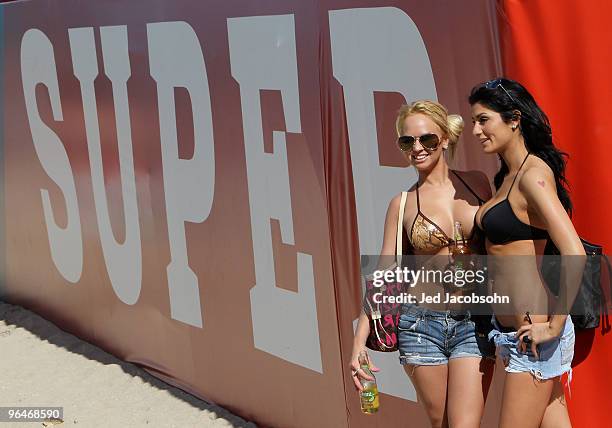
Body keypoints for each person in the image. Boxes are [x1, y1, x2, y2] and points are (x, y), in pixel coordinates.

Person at [350, 100, 495, 428]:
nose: (417, 148)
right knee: (441, 423)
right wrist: (360, 340)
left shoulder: (477, 183)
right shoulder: (401, 204)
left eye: (427, 139)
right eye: (407, 141)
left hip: (474, 320)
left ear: (444, 139)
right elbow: (383, 275)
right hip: (420, 325)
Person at [469, 78, 585, 428]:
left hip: (533, 333)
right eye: (473, 121)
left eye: (483, 119)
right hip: (512, 333)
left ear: (514, 119)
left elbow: (574, 252)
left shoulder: (533, 175)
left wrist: (554, 325)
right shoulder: (506, 176)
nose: (476, 130)